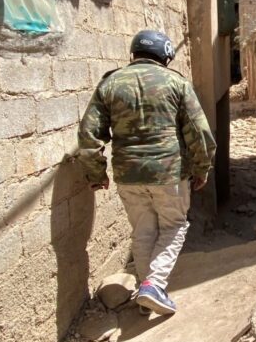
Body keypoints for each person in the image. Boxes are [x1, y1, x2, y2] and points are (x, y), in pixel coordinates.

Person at [77, 29, 215, 315]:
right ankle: (154, 284)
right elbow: (199, 133)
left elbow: (89, 136)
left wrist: (96, 174)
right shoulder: (177, 83)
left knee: (143, 231)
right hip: (169, 174)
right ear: (165, 56)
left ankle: (147, 292)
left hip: (128, 175)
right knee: (174, 227)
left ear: (133, 53)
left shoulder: (110, 83)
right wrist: (201, 168)